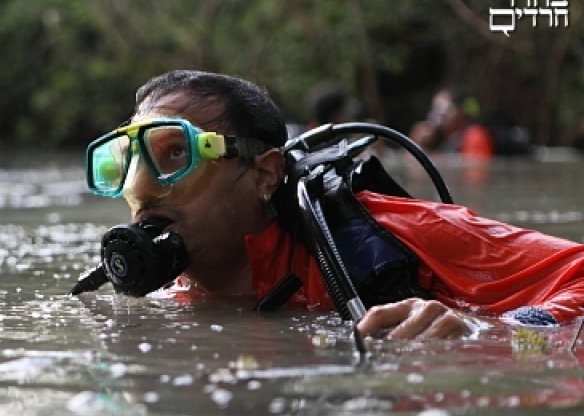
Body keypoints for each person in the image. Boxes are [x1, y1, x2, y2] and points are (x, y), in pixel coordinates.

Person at [84, 70, 584, 340]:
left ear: (264, 175)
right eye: (123, 165)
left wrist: (494, 332)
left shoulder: (385, 235)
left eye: (175, 153)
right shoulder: (164, 294)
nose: (140, 188)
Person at [409, 88, 495, 159]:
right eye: (435, 110)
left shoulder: (474, 136)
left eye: (444, 110)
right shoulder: (445, 138)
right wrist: (417, 143)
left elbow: (475, 173)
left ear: (459, 113)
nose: (439, 116)